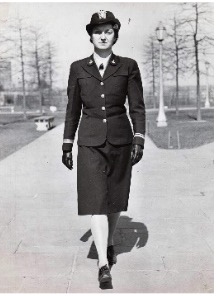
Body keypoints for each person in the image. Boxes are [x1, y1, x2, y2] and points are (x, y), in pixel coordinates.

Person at [62, 10, 146, 285]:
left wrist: (139, 137)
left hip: (121, 140)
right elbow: (73, 108)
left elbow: (136, 106)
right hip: (89, 141)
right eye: (97, 31)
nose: (102, 36)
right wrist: (67, 142)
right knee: (96, 200)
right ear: (90, 35)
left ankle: (108, 242)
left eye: (107, 31)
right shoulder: (78, 68)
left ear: (115, 34)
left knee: (116, 197)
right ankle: (102, 263)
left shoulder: (128, 66)